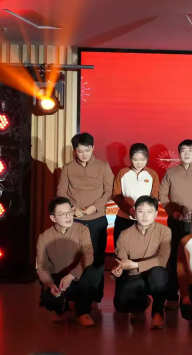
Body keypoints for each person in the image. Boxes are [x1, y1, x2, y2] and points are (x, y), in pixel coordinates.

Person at [57, 132, 114, 306]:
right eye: (80, 151)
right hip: (75, 219)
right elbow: (61, 192)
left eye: (87, 150)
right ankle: (71, 298)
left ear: (93, 148)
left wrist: (94, 207)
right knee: (73, 258)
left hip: (97, 218)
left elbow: (109, 191)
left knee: (96, 259)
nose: (84, 154)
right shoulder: (68, 168)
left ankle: (93, 298)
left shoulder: (103, 166)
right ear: (75, 150)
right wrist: (73, 208)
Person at [159, 139, 192, 310]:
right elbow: (162, 195)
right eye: (183, 150)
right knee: (174, 259)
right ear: (179, 153)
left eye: (190, 150)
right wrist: (172, 212)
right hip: (175, 221)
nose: (187, 153)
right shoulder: (171, 172)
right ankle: (172, 297)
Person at [36, 197, 101, 327]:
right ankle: (60, 308)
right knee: (49, 298)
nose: (68, 216)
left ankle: (82, 312)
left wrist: (72, 275)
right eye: (62, 214)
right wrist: (50, 284)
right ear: (53, 218)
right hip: (58, 280)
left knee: (93, 273)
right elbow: (41, 267)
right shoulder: (44, 237)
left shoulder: (82, 230)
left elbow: (88, 255)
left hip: (78, 276)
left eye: (69, 212)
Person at [112, 196, 171, 330]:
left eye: (149, 212)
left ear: (156, 214)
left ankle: (157, 313)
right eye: (141, 211)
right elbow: (121, 261)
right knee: (121, 304)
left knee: (159, 273)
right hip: (134, 276)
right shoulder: (125, 234)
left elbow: (162, 260)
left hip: (154, 274)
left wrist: (135, 265)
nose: (145, 216)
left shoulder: (165, 231)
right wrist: (118, 270)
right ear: (134, 212)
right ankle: (140, 305)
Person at [112, 143, 160, 246]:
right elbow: (116, 195)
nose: (139, 163)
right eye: (135, 159)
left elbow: (155, 196)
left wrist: (147, 212)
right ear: (130, 158)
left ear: (147, 158)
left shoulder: (152, 174)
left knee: (143, 248)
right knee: (121, 247)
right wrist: (128, 209)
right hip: (124, 218)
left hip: (145, 220)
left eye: (142, 159)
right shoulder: (122, 173)